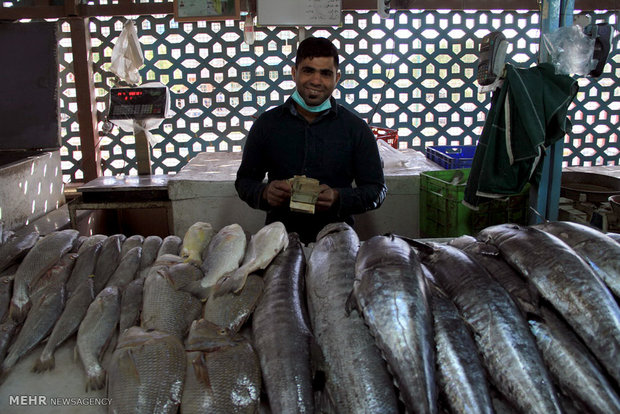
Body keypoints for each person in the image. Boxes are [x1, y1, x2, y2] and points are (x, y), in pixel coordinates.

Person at [235, 36, 387, 244]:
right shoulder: (267, 124)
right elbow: (244, 182)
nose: (316, 81)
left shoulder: (355, 129)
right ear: (294, 72)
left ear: (337, 77)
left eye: (325, 73)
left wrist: (337, 197)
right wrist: (264, 193)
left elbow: (376, 190)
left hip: (338, 243)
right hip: (280, 241)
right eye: (308, 70)